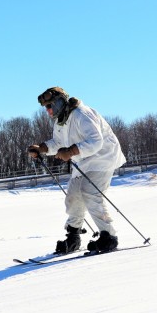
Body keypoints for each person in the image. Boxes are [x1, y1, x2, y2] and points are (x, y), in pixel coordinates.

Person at [28, 86, 126, 254]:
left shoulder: (82, 114)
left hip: (103, 157)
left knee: (90, 193)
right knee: (73, 197)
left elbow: (96, 141)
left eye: (50, 106)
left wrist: (71, 151)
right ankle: (73, 236)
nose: (48, 110)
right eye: (46, 107)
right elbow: (58, 143)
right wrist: (42, 148)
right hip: (83, 160)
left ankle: (109, 236)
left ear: (60, 102)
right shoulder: (61, 121)